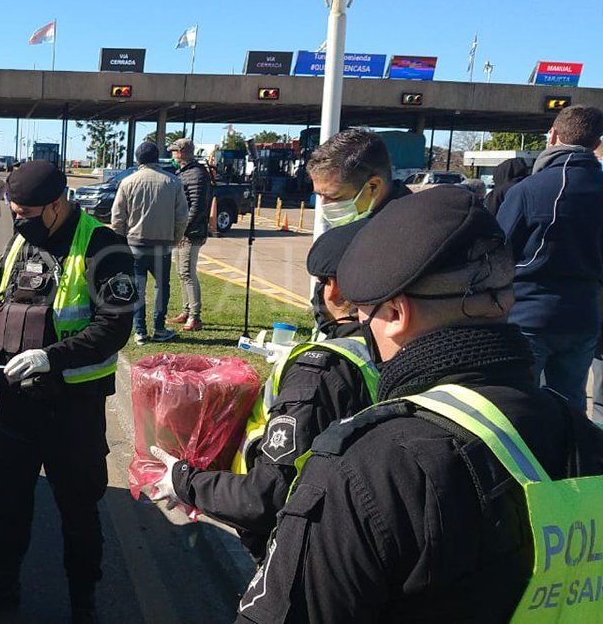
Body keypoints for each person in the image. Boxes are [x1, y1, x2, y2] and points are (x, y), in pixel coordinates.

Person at [235, 186, 603, 623]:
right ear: (505, 299)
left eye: (367, 317)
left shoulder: (370, 468)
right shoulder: (584, 436)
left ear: (395, 314)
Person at [0, 160, 135, 623]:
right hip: (17, 404)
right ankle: (2, 586)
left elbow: (115, 327)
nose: (19, 222)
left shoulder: (104, 246)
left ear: (57, 204)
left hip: (73, 411)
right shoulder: (21, 240)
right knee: (9, 503)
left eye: (27, 214)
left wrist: (51, 357)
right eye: (14, 213)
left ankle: (83, 605)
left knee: (78, 512)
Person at [148, 220, 378, 560]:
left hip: (297, 547)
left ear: (334, 289)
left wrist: (185, 482)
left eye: (319, 283)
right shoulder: (385, 351)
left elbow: (266, 495)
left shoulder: (318, 372)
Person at [497, 105, 603, 412]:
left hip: (528, 315)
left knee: (519, 405)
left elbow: (499, 252)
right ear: (596, 143)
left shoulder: (528, 190)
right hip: (584, 315)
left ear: (553, 135)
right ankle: (571, 444)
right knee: (570, 408)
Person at [111, 141, 188, 344]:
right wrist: (175, 239)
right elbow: (182, 216)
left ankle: (140, 331)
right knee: (162, 287)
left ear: (138, 160)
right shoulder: (172, 182)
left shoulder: (128, 182)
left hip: (135, 242)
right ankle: (159, 328)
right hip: (162, 244)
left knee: (138, 288)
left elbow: (117, 217)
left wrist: (121, 240)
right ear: (157, 158)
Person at [307, 128, 410, 228]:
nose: (324, 206)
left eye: (334, 197)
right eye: (320, 195)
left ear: (373, 187)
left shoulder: (406, 228)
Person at [167, 139, 212, 332]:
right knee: (181, 273)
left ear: (182, 153)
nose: (172, 156)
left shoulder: (196, 174)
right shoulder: (185, 173)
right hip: (183, 231)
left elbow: (196, 206)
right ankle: (186, 311)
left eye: (174, 152)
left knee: (187, 273)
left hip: (190, 233)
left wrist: (183, 230)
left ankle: (195, 316)